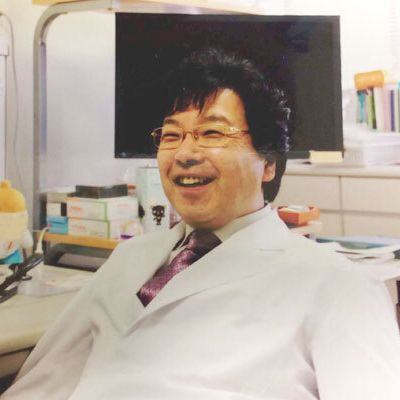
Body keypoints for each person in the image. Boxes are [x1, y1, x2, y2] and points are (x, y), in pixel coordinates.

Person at [2, 48, 400, 400]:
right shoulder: (128, 257)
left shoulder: (339, 286)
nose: (185, 153)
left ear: (268, 162)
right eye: (171, 135)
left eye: (212, 132)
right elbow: (40, 384)